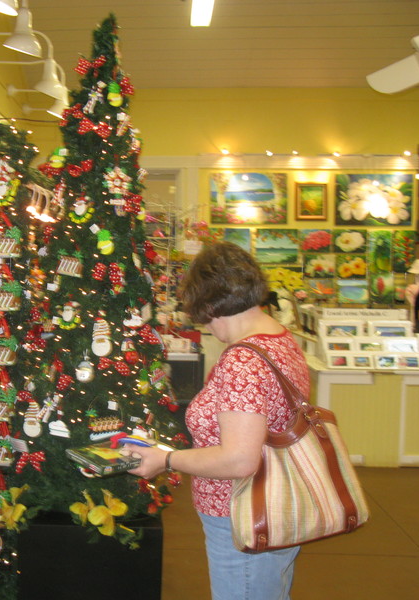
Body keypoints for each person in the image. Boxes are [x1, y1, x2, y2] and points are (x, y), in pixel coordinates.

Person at [126, 242, 310, 600]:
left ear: (210, 304)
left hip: (243, 517)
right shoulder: (278, 338)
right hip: (277, 507)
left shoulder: (243, 360)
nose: (207, 326)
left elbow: (239, 459)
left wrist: (164, 460)